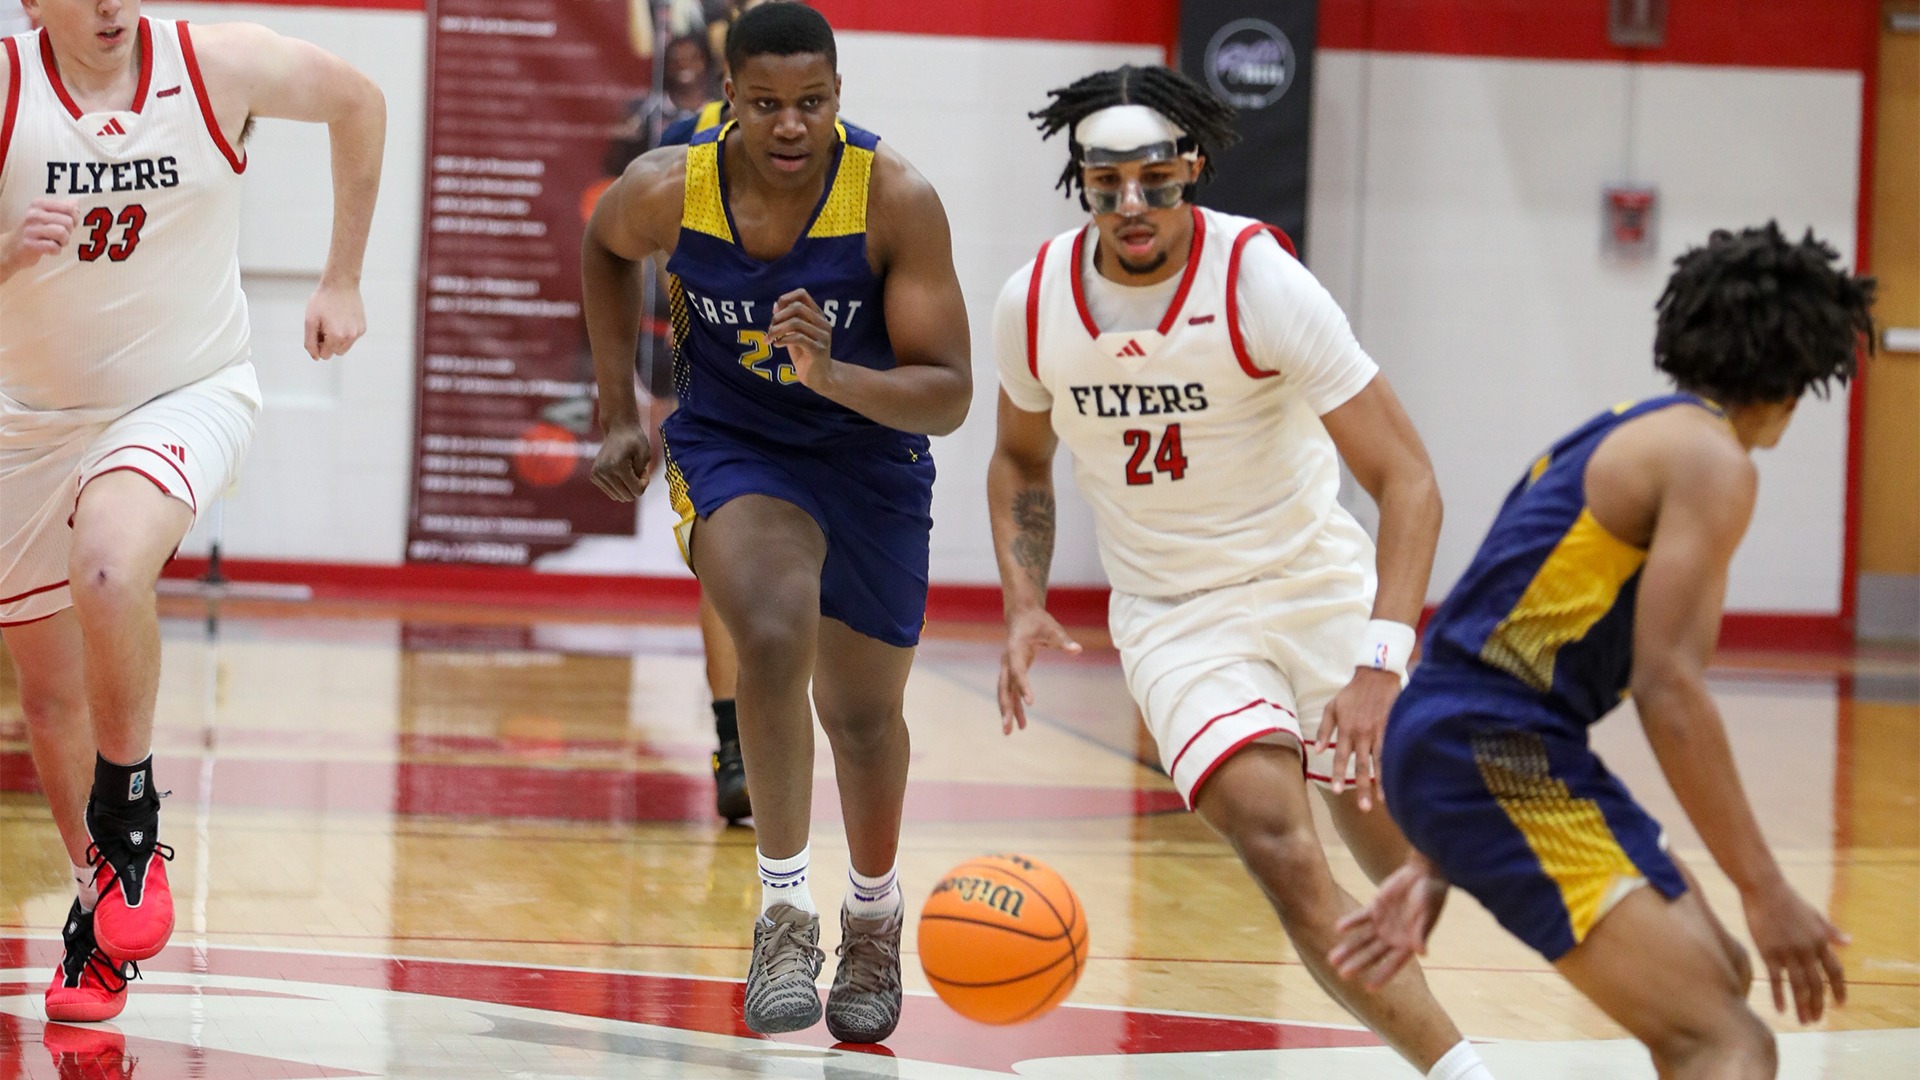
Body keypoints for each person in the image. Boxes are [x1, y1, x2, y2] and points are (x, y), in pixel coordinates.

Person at [988, 66, 1494, 1080]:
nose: (1132, 207)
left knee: (1403, 844)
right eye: (1106, 184)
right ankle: (1464, 1074)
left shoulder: (1259, 281)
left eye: (1155, 182)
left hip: (1314, 584)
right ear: (1079, 183)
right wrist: (1024, 600)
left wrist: (1380, 665)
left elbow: (1409, 479)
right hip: (1177, 616)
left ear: (1194, 172)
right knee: (1280, 849)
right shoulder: (1034, 300)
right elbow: (1019, 457)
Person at [1331, 223, 1867, 1080]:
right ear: (1805, 369)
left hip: (1478, 738)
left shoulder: (1630, 429)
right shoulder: (1710, 460)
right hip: (1487, 745)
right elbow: (1667, 687)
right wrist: (1765, 888)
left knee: (1719, 979)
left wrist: (1442, 850)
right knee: (1726, 1041)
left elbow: (1489, 628)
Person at [580, 2, 970, 1042]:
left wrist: (833, 372)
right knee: (769, 621)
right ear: (730, 102)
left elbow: (948, 393)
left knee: (862, 716)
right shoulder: (676, 185)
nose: (790, 126)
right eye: (766, 105)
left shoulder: (896, 200)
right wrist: (618, 410)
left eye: (812, 104)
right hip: (734, 447)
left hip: (870, 455)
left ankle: (875, 917)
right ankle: (785, 910)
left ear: (839, 99)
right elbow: (602, 246)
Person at [0, 0, 384, 1023]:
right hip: (28, 422)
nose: (109, 5)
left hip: (185, 390)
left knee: (112, 568)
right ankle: (98, 910)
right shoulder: (7, 89)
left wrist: (342, 275)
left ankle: (130, 815)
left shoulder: (215, 64)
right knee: (46, 699)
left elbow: (360, 100)